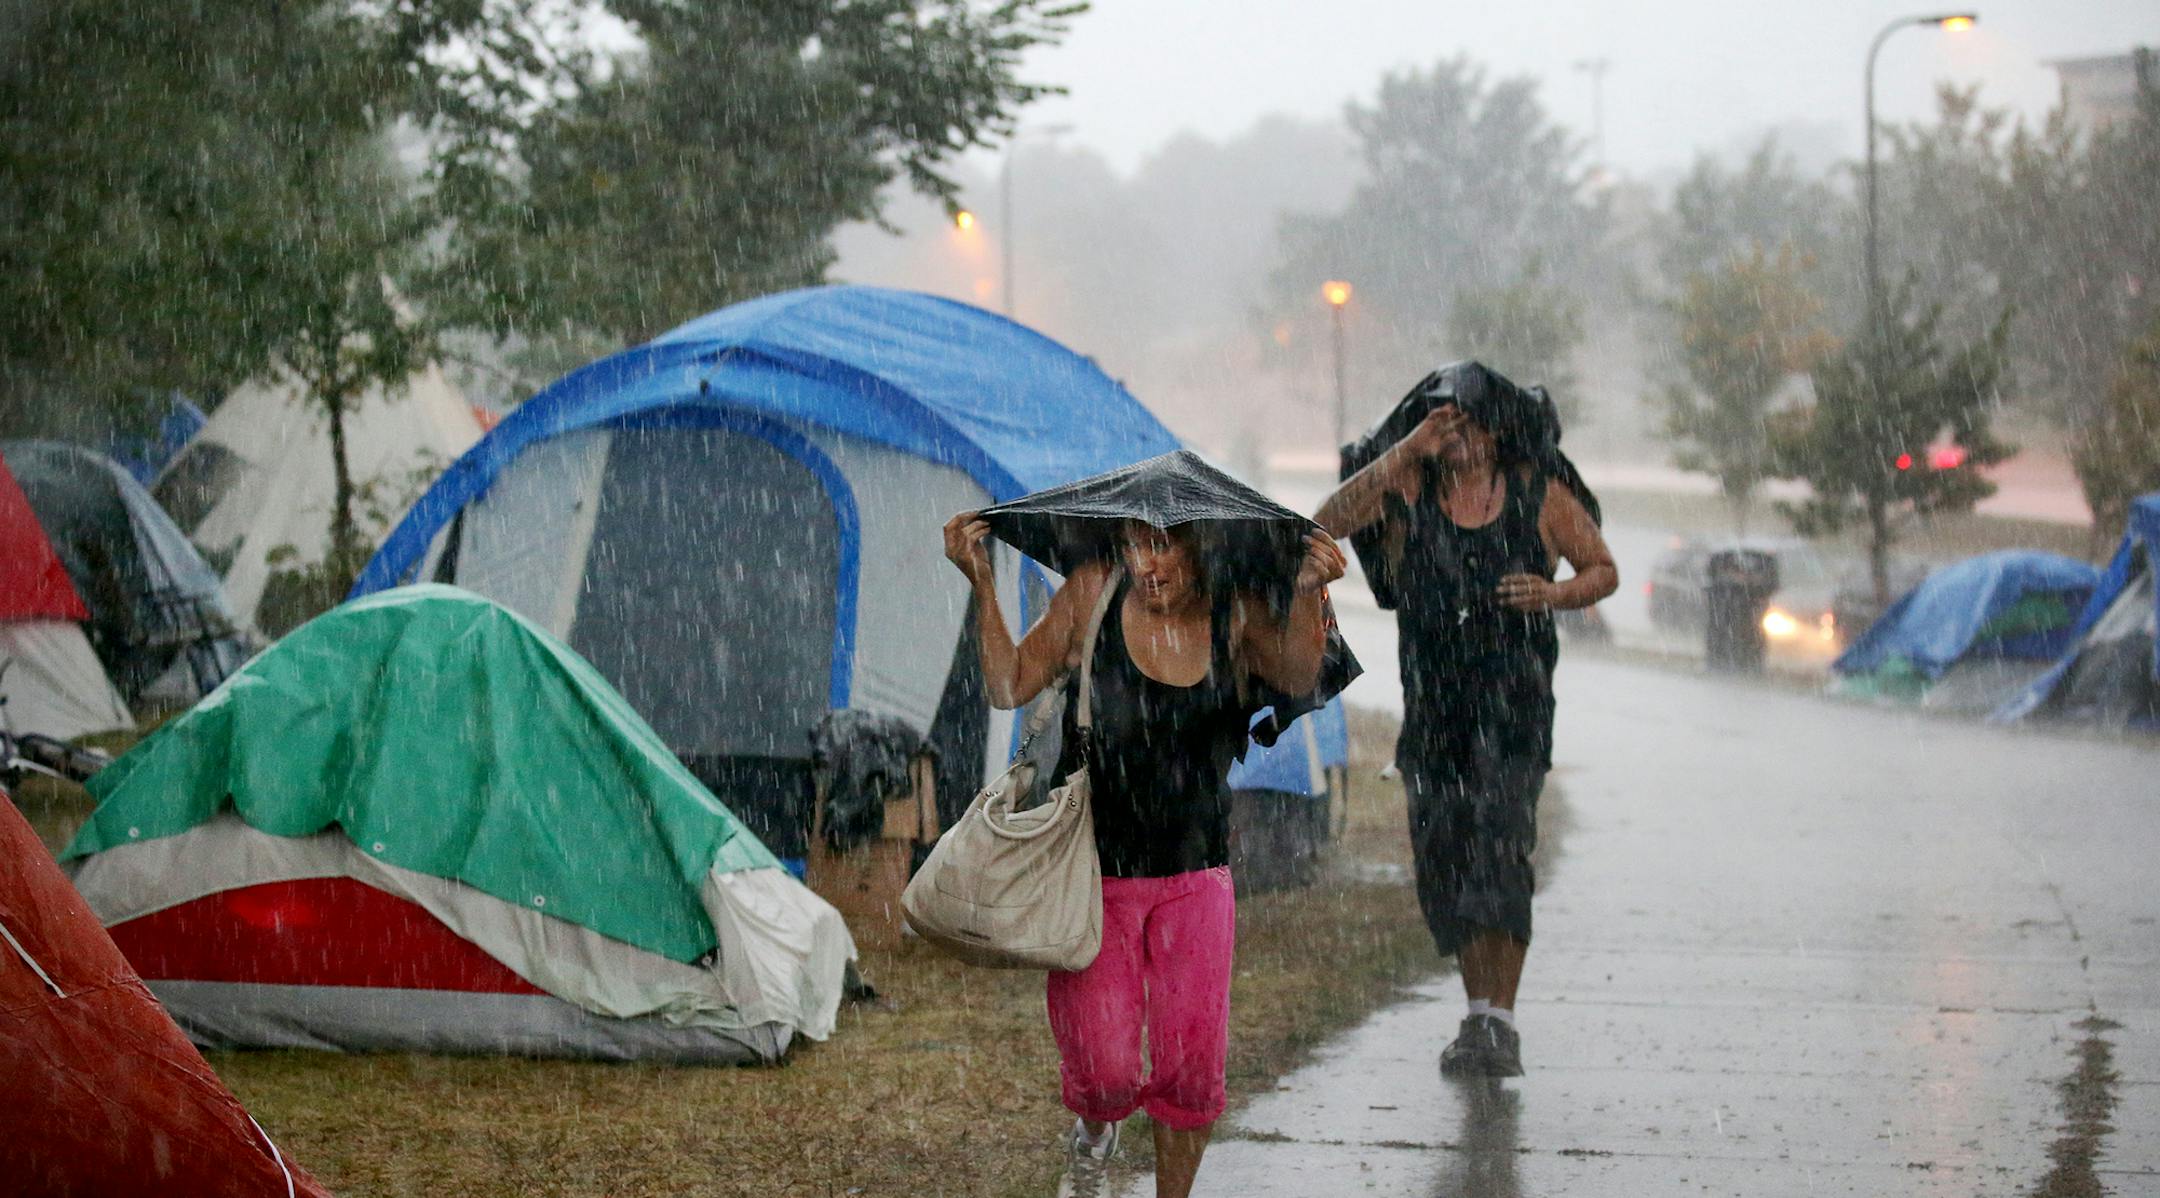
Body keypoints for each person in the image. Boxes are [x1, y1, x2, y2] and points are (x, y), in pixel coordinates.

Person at [941, 512, 1347, 1198]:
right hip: (1096, 873)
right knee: (1103, 1073)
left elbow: (1299, 675)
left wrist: (1307, 588)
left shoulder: (1234, 611)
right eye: (1133, 543)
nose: (1146, 564)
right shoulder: (1093, 592)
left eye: (1162, 544)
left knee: (1190, 1071)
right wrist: (982, 582)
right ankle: (1096, 1129)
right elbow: (1010, 683)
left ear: (1201, 543)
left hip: (1197, 873)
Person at [1315, 399, 1617, 1078]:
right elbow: (1324, 524)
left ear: (1498, 430)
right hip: (1433, 714)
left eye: (1469, 424)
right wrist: (1406, 451)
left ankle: (1498, 1020)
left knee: (1500, 853)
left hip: (1515, 713)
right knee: (1446, 858)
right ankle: (1478, 1011)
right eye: (1444, 426)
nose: (1458, 438)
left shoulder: (1538, 494)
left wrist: (1551, 594)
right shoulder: (1409, 490)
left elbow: (1603, 568)